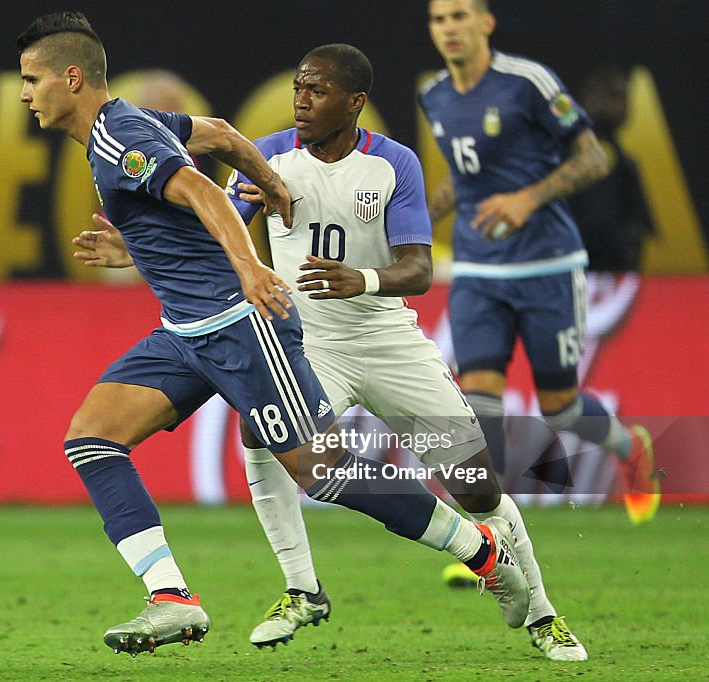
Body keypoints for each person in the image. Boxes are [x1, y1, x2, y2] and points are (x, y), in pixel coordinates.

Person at [74, 43, 587, 661]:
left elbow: (420, 269)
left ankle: (539, 609)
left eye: (316, 91)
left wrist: (361, 279)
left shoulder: (392, 164)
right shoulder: (268, 156)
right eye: (297, 87)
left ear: (355, 102)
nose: (300, 101)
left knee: (475, 486)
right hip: (308, 338)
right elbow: (217, 223)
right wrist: (136, 250)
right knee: (263, 437)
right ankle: (301, 587)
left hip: (387, 340)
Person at [418, 0, 659, 528]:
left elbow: (594, 157)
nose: (449, 28)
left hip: (547, 266)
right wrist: (414, 219)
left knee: (561, 406)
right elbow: (465, 173)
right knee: (480, 404)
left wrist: (527, 199)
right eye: (440, 19)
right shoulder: (434, 95)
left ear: (486, 22)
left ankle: (631, 447)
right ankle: (496, 537)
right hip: (479, 271)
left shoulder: (528, 82)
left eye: (460, 16)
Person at [569, 65, 655, 274]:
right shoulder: (586, 152)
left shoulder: (620, 155)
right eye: (615, 97)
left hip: (613, 264)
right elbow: (597, 218)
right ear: (590, 100)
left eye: (625, 99)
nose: (623, 106)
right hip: (594, 264)